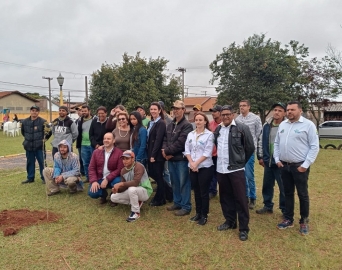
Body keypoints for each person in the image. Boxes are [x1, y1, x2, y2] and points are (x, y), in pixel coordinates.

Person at [274, 101, 319, 235]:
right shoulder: (283, 124)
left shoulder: (308, 125)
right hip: (284, 166)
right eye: (288, 110)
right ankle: (288, 218)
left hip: (299, 166)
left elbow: (314, 146)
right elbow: (276, 143)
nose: (289, 112)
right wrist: (277, 159)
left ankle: (304, 221)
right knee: (287, 193)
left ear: (300, 110)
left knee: (302, 194)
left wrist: (305, 165)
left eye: (292, 110)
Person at [214, 105, 254, 241]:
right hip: (221, 169)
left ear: (233, 114)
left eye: (227, 114)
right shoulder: (218, 129)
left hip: (236, 169)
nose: (225, 117)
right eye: (223, 114)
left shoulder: (242, 128)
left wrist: (241, 162)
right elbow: (215, 144)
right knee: (225, 197)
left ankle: (243, 228)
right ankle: (230, 221)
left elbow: (249, 148)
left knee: (241, 199)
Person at [163, 100, 193, 216]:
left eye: (178, 108)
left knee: (184, 183)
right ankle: (177, 202)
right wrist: (165, 151)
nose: (175, 110)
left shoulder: (187, 125)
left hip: (181, 159)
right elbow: (165, 140)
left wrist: (167, 151)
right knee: (175, 182)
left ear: (183, 110)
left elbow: (181, 143)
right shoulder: (170, 124)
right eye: (174, 108)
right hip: (171, 159)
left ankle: (186, 206)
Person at [256, 103, 287, 216]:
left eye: (280, 110)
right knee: (267, 185)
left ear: (284, 113)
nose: (277, 112)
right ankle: (267, 206)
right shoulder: (267, 125)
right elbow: (260, 141)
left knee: (283, 187)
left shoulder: (287, 125)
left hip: (281, 162)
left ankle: (284, 209)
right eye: (275, 110)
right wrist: (260, 157)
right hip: (268, 161)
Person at [184, 112, 214, 225]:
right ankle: (197, 213)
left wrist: (196, 163)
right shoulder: (190, 134)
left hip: (205, 167)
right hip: (192, 166)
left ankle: (204, 215)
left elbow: (207, 152)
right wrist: (192, 163)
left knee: (203, 192)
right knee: (196, 191)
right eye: (196, 120)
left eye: (200, 120)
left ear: (205, 121)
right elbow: (187, 150)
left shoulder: (210, 135)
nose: (198, 122)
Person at [110, 150, 153, 222]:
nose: (124, 161)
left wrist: (120, 184)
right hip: (134, 191)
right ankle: (136, 202)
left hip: (145, 191)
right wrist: (117, 189)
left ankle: (136, 212)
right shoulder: (123, 170)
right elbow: (124, 187)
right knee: (113, 197)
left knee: (132, 189)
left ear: (133, 159)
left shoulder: (139, 166)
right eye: (123, 159)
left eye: (127, 159)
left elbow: (136, 182)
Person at [235, 100, 262, 210]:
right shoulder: (237, 119)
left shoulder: (255, 118)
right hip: (239, 151)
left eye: (244, 106)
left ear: (249, 107)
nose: (242, 107)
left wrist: (257, 149)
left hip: (249, 151)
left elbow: (258, 134)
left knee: (249, 175)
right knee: (241, 175)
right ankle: (244, 196)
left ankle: (252, 197)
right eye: (240, 106)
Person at [147, 102, 173, 206]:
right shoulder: (150, 122)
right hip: (150, 152)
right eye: (151, 109)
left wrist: (153, 155)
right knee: (154, 175)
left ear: (159, 110)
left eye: (155, 109)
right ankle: (170, 193)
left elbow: (158, 140)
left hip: (157, 154)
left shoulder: (161, 123)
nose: (153, 111)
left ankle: (160, 199)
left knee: (158, 176)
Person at [88, 132, 124, 204]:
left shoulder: (119, 152)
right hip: (99, 178)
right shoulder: (96, 152)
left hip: (113, 178)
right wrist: (94, 181)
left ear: (113, 141)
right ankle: (103, 195)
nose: (106, 140)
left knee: (119, 182)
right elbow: (91, 168)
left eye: (108, 139)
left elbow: (120, 169)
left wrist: (107, 178)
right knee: (92, 193)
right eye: (104, 138)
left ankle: (113, 196)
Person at [21, 105, 50, 184]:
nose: (34, 112)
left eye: (36, 111)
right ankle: (30, 178)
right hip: (29, 146)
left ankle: (44, 178)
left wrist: (44, 140)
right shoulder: (24, 122)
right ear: (30, 111)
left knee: (42, 162)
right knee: (30, 162)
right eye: (33, 110)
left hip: (39, 146)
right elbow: (23, 132)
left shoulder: (43, 121)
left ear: (38, 112)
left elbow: (48, 132)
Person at [208, 104, 222, 199]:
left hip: (221, 154)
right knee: (211, 173)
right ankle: (212, 190)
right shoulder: (210, 124)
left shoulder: (223, 124)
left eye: (215, 111)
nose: (213, 113)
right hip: (211, 153)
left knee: (220, 174)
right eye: (212, 111)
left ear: (220, 113)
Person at [76, 105, 93, 183]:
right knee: (85, 162)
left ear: (89, 111)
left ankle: (95, 177)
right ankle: (87, 177)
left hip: (92, 144)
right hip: (83, 144)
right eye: (82, 111)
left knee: (94, 162)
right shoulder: (80, 121)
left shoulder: (94, 119)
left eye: (85, 111)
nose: (84, 112)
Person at [158, 101, 172, 185]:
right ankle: (162, 185)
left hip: (165, 148)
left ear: (162, 110)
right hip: (157, 148)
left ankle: (169, 188)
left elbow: (169, 136)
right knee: (160, 169)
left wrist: (166, 149)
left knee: (166, 170)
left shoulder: (169, 120)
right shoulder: (155, 119)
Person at [75, 108, 85, 176]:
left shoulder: (88, 120)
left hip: (86, 142)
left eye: (81, 110)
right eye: (78, 111)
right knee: (81, 158)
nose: (79, 112)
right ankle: (82, 171)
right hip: (79, 142)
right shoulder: (76, 121)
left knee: (86, 158)